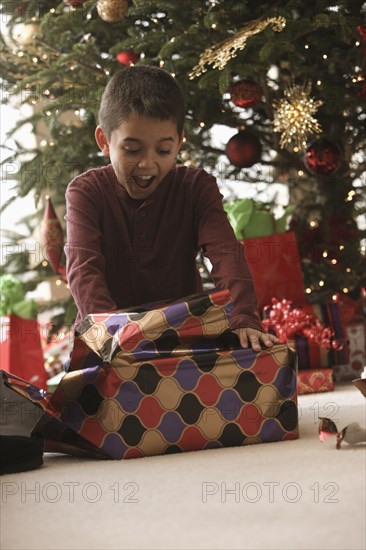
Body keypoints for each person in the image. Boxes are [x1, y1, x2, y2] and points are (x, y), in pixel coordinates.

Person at [65, 65, 279, 352]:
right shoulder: (85, 192)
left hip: (182, 337)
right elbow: (83, 271)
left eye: (163, 151)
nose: (147, 164)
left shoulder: (196, 187)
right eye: (132, 150)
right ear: (105, 141)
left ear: (179, 142)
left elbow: (226, 255)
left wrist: (243, 316)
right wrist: (110, 333)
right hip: (107, 340)